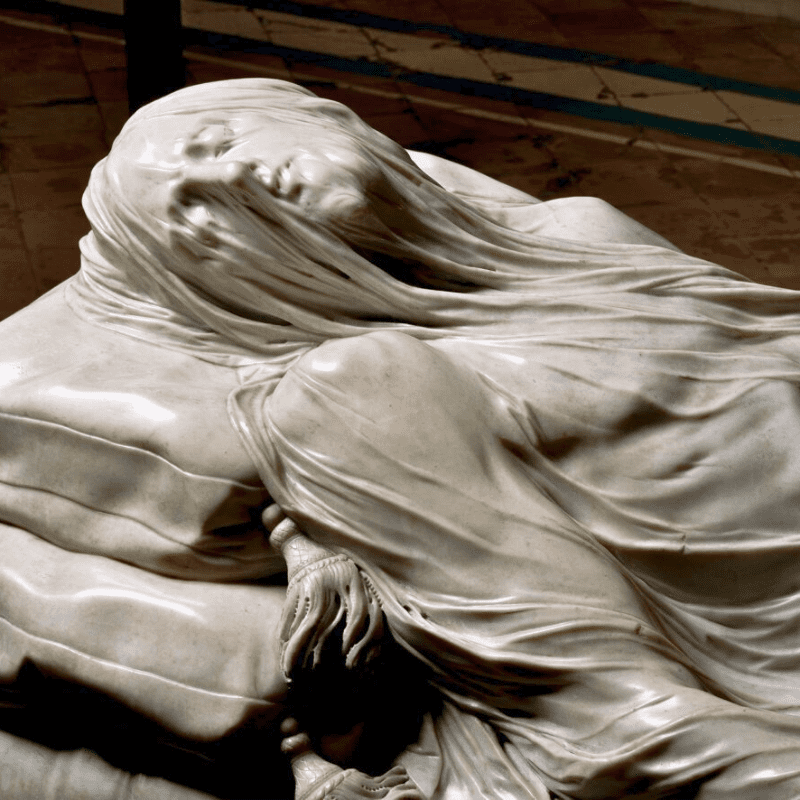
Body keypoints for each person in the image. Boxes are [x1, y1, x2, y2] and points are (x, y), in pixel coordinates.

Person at [6, 76, 800, 798]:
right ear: (225, 279)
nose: (228, 177)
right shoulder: (359, 392)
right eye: (194, 212)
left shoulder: (581, 239)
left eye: (219, 142)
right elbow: (612, 713)